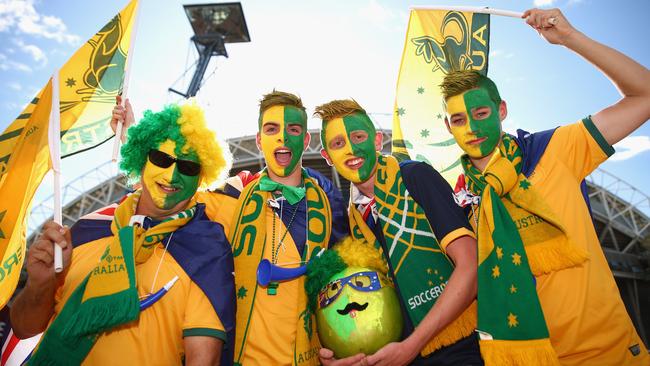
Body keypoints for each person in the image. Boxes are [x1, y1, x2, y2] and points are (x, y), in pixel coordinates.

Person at [441, 8, 650, 365]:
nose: (472, 127)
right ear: (447, 128)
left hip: (608, 353)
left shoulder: (554, 149)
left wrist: (570, 38)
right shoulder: (458, 199)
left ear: (501, 110)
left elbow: (643, 95)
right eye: (459, 120)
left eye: (480, 113)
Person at [111, 90, 348, 366]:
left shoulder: (326, 196)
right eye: (272, 129)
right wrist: (131, 135)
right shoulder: (236, 191)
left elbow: (342, 273)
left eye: (293, 129)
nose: (283, 137)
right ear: (259, 140)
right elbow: (169, 191)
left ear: (305, 139)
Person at [12, 102, 236, 365]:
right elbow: (23, 328)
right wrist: (41, 284)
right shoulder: (86, 232)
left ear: (201, 179)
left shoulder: (205, 252)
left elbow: (204, 359)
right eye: (161, 159)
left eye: (188, 167)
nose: (172, 175)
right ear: (141, 159)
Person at [314, 99, 481, 366]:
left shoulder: (415, 177)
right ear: (327, 157)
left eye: (358, 136)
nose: (351, 149)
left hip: (461, 349)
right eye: (338, 144)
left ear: (377, 140)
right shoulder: (353, 219)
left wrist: (410, 346)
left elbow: (470, 265)